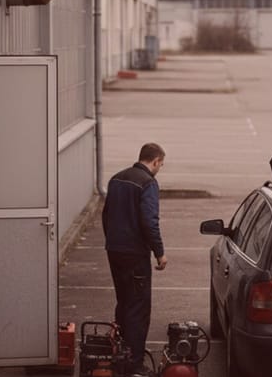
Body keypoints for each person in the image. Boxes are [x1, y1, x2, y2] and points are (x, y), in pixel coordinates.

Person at [103, 143, 168, 376]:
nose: (160, 168)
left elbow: (106, 215)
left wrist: (111, 242)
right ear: (156, 161)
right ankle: (134, 365)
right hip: (134, 255)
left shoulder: (116, 179)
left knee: (123, 303)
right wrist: (159, 252)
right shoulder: (148, 183)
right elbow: (149, 221)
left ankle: (119, 356)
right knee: (138, 308)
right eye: (161, 164)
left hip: (114, 251)